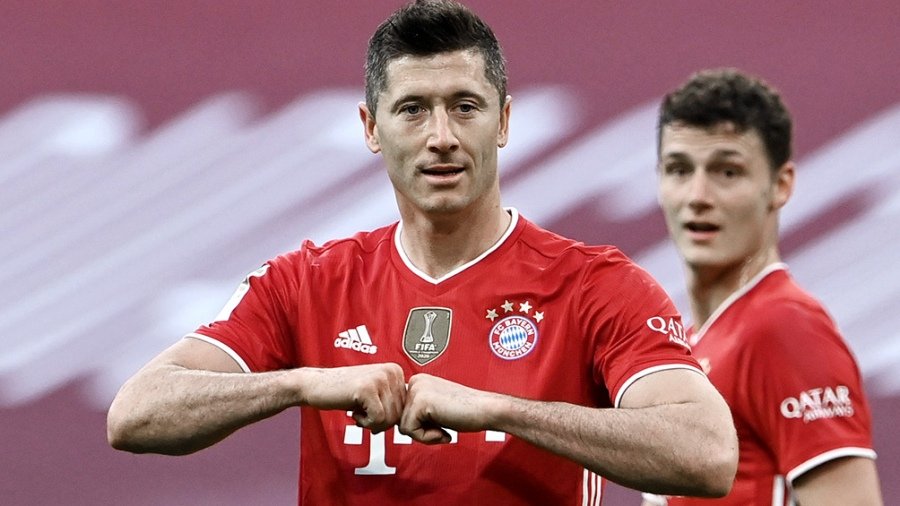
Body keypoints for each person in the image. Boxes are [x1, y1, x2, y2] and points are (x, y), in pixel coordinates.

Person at [106, 1, 738, 504]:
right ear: (371, 128)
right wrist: (305, 384)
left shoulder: (595, 284)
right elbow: (135, 415)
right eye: (412, 109)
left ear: (503, 122)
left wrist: (496, 410)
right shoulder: (307, 282)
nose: (441, 137)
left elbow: (707, 454)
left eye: (465, 107)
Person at [642, 68, 883, 506]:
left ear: (780, 185)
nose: (697, 196)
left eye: (727, 172)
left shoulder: (785, 328)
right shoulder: (689, 344)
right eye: (679, 170)